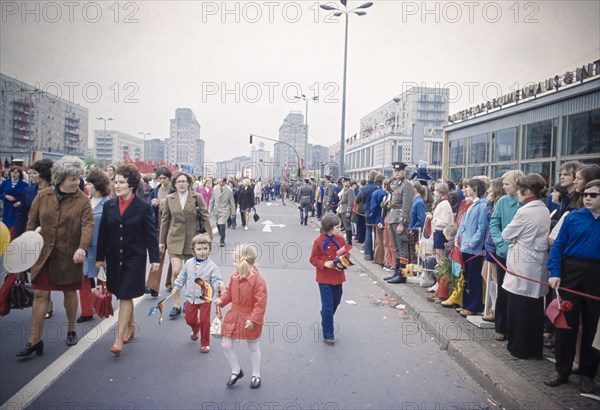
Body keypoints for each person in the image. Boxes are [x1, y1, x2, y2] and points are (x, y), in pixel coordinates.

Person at [17, 156, 94, 357]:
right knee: (41, 294)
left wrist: (82, 248)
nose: (76, 182)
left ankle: (71, 329)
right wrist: (30, 243)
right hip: (43, 254)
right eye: (72, 178)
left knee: (69, 293)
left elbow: (88, 225)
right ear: (60, 177)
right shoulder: (43, 196)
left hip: (70, 254)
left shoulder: (83, 200)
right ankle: (35, 340)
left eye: (78, 178)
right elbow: (31, 222)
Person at [96, 164, 160, 356]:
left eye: (121, 182)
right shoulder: (109, 206)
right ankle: (130, 325)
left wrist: (154, 258)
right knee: (123, 293)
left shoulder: (143, 207)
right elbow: (103, 234)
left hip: (135, 258)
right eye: (115, 181)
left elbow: (150, 234)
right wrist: (100, 258)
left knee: (125, 294)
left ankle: (118, 338)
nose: (117, 185)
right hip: (114, 257)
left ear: (131, 184)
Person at [545, 179, 600, 393]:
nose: (587, 197)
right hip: (571, 273)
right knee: (565, 324)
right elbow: (558, 246)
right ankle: (562, 370)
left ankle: (588, 373)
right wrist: (555, 272)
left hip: (596, 276)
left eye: (593, 195)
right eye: (586, 194)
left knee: (593, 328)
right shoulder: (573, 217)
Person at [501, 174, 550, 359]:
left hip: (522, 265)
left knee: (519, 310)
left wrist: (515, 237)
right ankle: (534, 349)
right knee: (535, 310)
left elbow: (507, 233)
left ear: (527, 191)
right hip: (536, 265)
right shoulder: (543, 209)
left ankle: (519, 348)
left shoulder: (524, 211)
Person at [215, 243, 267, 389]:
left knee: (253, 346)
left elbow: (260, 305)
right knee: (226, 344)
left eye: (234, 261)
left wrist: (253, 319)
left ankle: (256, 374)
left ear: (241, 261)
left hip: (250, 318)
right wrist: (222, 300)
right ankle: (236, 370)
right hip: (234, 315)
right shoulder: (234, 277)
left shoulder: (258, 281)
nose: (233, 264)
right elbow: (228, 293)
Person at [160, 171, 212, 318]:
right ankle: (176, 304)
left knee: (191, 273)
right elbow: (165, 221)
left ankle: (188, 300)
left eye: (184, 181)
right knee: (176, 271)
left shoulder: (197, 198)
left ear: (189, 183)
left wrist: (209, 236)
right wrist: (161, 242)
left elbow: (205, 216)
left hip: (192, 239)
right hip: (174, 239)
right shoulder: (169, 199)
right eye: (178, 182)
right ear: (174, 184)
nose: (181, 184)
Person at [171, 234, 224, 352]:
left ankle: (205, 343)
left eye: (205, 249)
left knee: (205, 321)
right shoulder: (188, 263)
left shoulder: (212, 267)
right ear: (193, 250)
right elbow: (182, 276)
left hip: (205, 299)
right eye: (199, 249)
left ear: (209, 249)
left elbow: (217, 280)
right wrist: (177, 286)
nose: (202, 252)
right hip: (191, 298)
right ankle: (195, 328)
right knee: (189, 319)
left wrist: (219, 288)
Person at [489, 170, 523, 341]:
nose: (503, 187)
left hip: (522, 256)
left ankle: (515, 329)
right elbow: (494, 222)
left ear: (517, 184)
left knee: (517, 293)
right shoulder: (502, 201)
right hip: (503, 253)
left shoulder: (527, 203)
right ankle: (500, 327)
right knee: (503, 291)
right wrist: (500, 242)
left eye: (507, 184)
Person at [77, 168, 111, 323]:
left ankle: (102, 306)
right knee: (83, 278)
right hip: (84, 246)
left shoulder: (109, 204)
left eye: (90, 183)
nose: (87, 186)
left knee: (102, 279)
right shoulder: (84, 201)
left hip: (101, 248)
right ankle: (86, 311)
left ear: (97, 184)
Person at [309, 213, 347, 346]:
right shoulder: (318, 241)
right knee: (328, 306)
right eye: (337, 227)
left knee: (336, 301)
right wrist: (324, 264)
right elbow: (313, 259)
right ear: (329, 228)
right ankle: (328, 334)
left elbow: (346, 255)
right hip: (324, 278)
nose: (339, 228)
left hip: (338, 276)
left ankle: (325, 316)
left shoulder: (341, 240)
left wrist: (342, 264)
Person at [455, 178, 489, 317]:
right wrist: (458, 238)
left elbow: (481, 227)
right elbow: (463, 225)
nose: (465, 189)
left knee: (474, 277)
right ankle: (466, 303)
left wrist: (472, 243)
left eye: (468, 187)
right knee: (466, 276)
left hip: (473, 247)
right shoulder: (471, 203)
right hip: (464, 244)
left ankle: (473, 305)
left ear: (476, 188)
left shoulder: (482, 205)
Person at [145, 167, 173, 296]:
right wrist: (152, 203)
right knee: (158, 255)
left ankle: (171, 282)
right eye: (160, 178)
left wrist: (162, 202)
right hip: (158, 226)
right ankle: (152, 286)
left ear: (169, 178)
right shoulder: (155, 191)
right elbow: (148, 205)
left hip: (173, 228)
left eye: (164, 178)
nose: (162, 180)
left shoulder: (174, 190)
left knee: (173, 257)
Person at [385, 162, 414, 284]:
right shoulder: (397, 185)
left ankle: (402, 275)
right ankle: (397, 272)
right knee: (396, 247)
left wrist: (402, 223)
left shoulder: (407, 186)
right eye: (395, 171)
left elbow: (406, 206)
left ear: (403, 172)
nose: (396, 173)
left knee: (402, 248)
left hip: (399, 219)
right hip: (393, 217)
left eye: (399, 171)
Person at [427, 182, 454, 264]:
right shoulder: (441, 203)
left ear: (441, 192)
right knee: (438, 257)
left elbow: (444, 221)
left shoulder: (444, 204)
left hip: (441, 233)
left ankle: (441, 275)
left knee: (440, 258)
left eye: (435, 191)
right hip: (438, 232)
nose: (434, 193)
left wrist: (432, 218)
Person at [0, 165, 29, 238]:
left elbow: (28, 198)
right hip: (7, 209)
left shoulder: (25, 185)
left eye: (16, 172)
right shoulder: (5, 183)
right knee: (6, 228)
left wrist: (20, 202)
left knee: (15, 229)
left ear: (20, 174)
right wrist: (5, 196)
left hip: (17, 209)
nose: (13, 174)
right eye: (12, 172)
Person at [209, 177, 236, 247]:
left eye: (221, 181)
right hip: (216, 209)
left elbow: (232, 202)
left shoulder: (229, 190)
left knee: (222, 223)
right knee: (218, 223)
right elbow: (212, 200)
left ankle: (222, 240)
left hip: (225, 209)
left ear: (224, 182)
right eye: (219, 181)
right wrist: (209, 211)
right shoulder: (215, 188)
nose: (219, 183)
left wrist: (233, 212)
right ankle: (221, 233)